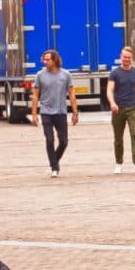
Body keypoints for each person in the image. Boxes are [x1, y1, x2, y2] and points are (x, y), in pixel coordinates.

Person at [33, 48, 79, 176]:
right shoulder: (40, 75)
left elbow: (71, 93)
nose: (45, 62)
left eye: (48, 59)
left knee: (64, 141)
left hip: (60, 111)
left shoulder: (66, 75)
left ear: (54, 60)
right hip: (46, 111)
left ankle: (54, 161)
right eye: (44, 59)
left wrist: (75, 113)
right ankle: (54, 168)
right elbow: (35, 95)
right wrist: (34, 114)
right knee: (49, 139)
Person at [106, 45, 135, 174]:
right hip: (118, 109)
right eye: (124, 57)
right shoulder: (115, 73)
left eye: (128, 57)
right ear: (120, 57)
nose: (126, 59)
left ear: (132, 58)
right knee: (118, 138)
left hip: (132, 108)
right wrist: (112, 103)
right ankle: (118, 162)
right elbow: (109, 90)